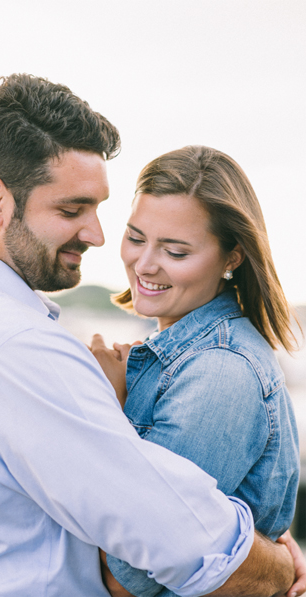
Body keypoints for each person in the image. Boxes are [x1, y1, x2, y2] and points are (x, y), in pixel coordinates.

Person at [0, 74, 306, 596]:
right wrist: (279, 565)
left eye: (98, 211)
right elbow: (173, 539)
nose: (97, 235)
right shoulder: (15, 347)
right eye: (72, 210)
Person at [90, 146, 300, 596]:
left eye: (176, 251)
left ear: (232, 258)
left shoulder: (219, 374)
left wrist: (108, 410)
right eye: (136, 236)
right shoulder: (175, 352)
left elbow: (128, 581)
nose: (145, 264)